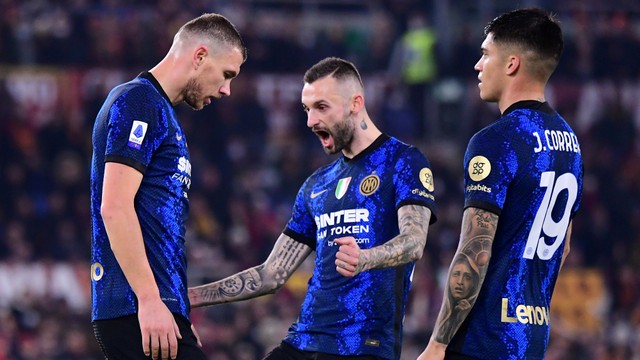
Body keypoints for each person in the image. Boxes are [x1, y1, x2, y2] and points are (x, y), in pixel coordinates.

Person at [189, 57, 437, 360]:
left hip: (362, 347)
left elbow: (414, 241)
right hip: (302, 343)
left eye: (321, 107)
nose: (310, 121)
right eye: (307, 110)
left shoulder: (402, 161)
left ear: (355, 103)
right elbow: (271, 274)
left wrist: (366, 258)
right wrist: (190, 297)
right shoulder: (317, 184)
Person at [418, 8, 583, 360]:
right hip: (530, 339)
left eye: (485, 54)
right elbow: (563, 247)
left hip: (482, 339)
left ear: (511, 65)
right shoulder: (571, 144)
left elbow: (474, 251)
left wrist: (438, 344)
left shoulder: (496, 140)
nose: (478, 65)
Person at [89, 13, 246, 360]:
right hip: (135, 308)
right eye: (226, 75)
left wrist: (176, 308)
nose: (226, 90)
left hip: (151, 307)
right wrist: (149, 301)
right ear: (200, 56)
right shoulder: (139, 102)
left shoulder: (160, 112)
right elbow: (114, 207)